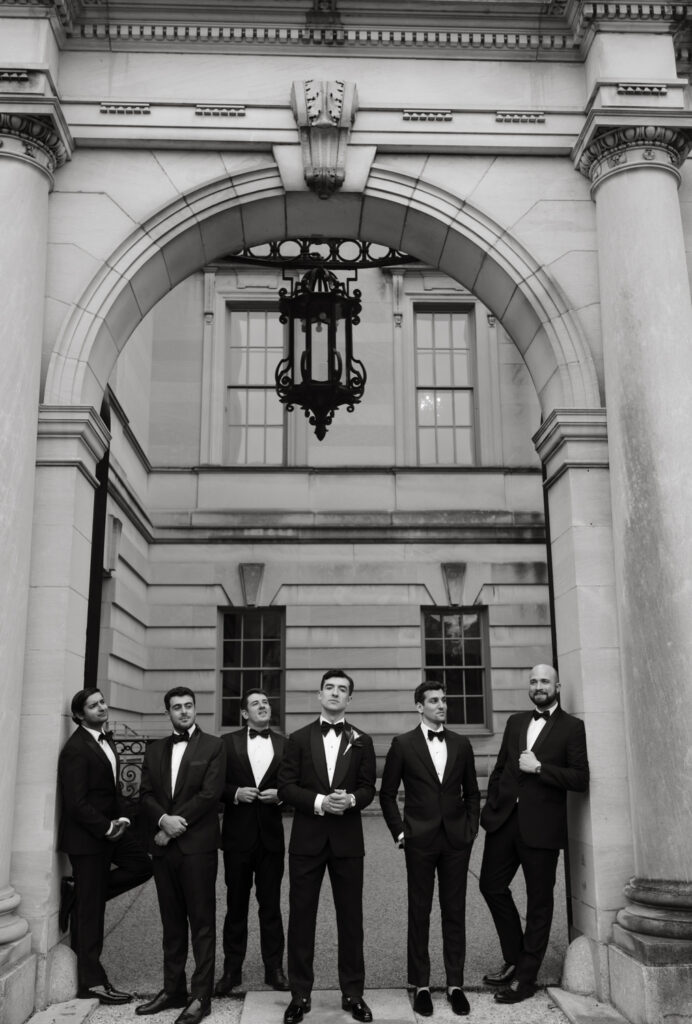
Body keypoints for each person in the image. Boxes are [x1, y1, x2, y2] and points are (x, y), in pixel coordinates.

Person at [479, 663, 589, 1003]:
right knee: (491, 885)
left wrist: (540, 768)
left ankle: (525, 979)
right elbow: (501, 768)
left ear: (558, 685)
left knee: (539, 902)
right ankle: (516, 956)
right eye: (533, 681)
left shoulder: (572, 727)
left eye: (545, 681)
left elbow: (580, 778)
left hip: (541, 829)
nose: (538, 686)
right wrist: (492, 806)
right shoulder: (515, 722)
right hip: (504, 822)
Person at [277, 670, 377, 1024]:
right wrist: (321, 801)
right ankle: (299, 995)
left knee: (351, 920)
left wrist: (350, 799)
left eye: (343, 690)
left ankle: (353, 993)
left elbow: (369, 788)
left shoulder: (363, 741)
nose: (336, 694)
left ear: (350, 699)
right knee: (302, 919)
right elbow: (286, 787)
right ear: (320, 695)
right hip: (307, 840)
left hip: (348, 842)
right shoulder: (299, 738)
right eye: (330, 688)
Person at [379, 681, 480, 1018]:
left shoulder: (461, 744)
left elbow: (473, 794)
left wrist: (470, 830)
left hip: (455, 841)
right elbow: (387, 793)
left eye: (443, 700)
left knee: (455, 912)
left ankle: (455, 985)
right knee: (419, 912)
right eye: (434, 701)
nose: (441, 705)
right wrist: (400, 833)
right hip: (418, 840)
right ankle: (421, 985)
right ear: (419, 707)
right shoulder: (403, 744)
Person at [57, 687, 153, 1003]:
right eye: (93, 705)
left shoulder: (106, 739)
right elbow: (75, 802)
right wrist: (106, 826)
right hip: (88, 839)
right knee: (91, 914)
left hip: (112, 831)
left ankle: (79, 894)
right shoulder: (75, 749)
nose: (102, 707)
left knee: (142, 865)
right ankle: (92, 983)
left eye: (102, 702)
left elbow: (111, 790)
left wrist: (122, 819)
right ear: (79, 715)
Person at [136, 687, 225, 1024]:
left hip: (197, 848)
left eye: (189, 706)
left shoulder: (214, 746)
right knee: (171, 924)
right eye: (177, 707)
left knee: (202, 923)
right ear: (167, 713)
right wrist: (162, 820)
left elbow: (210, 794)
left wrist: (173, 825)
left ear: (195, 710)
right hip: (164, 851)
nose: (184, 712)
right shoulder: (155, 749)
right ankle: (172, 989)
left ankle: (201, 996)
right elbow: (144, 794)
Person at [215, 689, 289, 996]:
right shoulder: (226, 743)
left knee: (271, 907)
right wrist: (234, 794)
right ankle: (232, 970)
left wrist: (281, 795)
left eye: (266, 703)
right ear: (244, 713)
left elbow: (296, 784)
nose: (263, 706)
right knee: (236, 906)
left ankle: (275, 969)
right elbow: (213, 784)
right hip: (237, 838)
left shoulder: (286, 744)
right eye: (256, 703)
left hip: (271, 839)